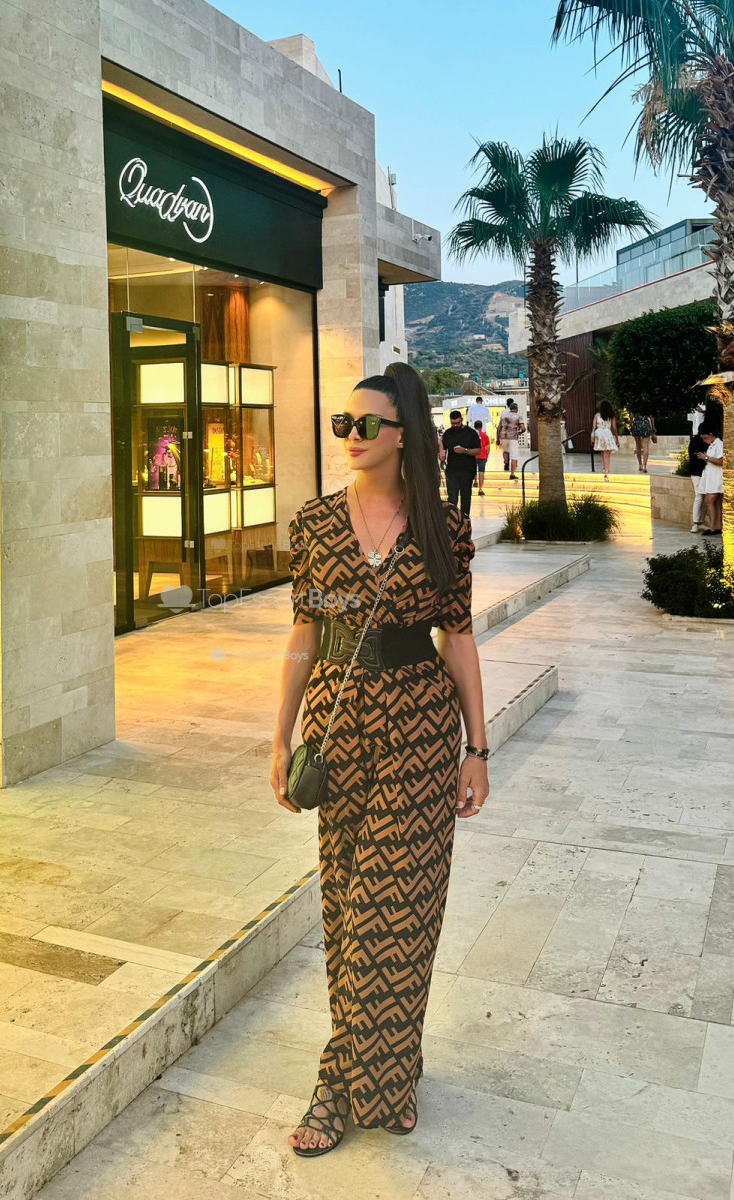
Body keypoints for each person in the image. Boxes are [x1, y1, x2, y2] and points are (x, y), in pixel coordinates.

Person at [271, 362, 490, 1155]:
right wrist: (280, 737)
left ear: (404, 436)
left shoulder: (443, 529)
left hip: (420, 731)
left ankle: (337, 1086)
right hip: (338, 727)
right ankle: (390, 1077)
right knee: (345, 909)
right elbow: (304, 634)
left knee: (394, 914)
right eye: (344, 424)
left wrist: (477, 747)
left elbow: (456, 638)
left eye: (366, 425)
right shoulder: (315, 524)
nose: (351, 437)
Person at [439, 409, 481, 517]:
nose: (455, 425)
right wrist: (442, 456)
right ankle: (453, 520)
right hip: (452, 470)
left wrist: (465, 450)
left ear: (462, 420)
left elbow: (478, 451)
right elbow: (443, 448)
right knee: (452, 498)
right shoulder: (448, 433)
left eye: (457, 423)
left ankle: (465, 520)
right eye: (453, 423)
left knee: (465, 498)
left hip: (467, 470)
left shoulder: (471, 433)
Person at [698, 430, 723, 535]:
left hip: (717, 478)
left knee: (709, 501)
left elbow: (722, 461)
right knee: (716, 503)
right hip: (711, 477)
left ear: (711, 434)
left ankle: (712, 526)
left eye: (705, 438)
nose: (704, 440)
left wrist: (706, 457)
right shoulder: (711, 445)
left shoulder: (719, 445)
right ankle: (717, 526)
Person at [591, 400, 620, 481]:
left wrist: (592, 438)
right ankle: (606, 472)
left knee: (603, 452)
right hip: (607, 434)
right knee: (607, 454)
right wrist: (617, 439)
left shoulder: (597, 415)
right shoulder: (611, 416)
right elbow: (614, 428)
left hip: (599, 434)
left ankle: (605, 468)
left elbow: (593, 428)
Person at [687, 427, 708, 532]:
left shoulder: (708, 442)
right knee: (699, 496)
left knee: (705, 497)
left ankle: (700, 522)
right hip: (697, 473)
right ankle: (696, 523)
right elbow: (696, 457)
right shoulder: (696, 442)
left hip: (705, 472)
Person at [497, 400, 524, 479]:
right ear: (517, 409)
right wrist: (519, 433)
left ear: (510, 409)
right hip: (513, 438)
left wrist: (498, 438)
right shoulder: (518, 416)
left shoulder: (503, 416)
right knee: (514, 456)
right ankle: (512, 474)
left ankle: (506, 462)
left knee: (505, 451)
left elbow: (499, 428)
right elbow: (523, 428)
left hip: (503, 437)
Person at [475, 419, 490, 495]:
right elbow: (488, 447)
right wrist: (487, 455)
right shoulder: (485, 436)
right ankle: (480, 489)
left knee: (474, 470)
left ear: (474, 426)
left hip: (474, 456)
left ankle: (475, 481)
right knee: (481, 473)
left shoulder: (472, 435)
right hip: (483, 456)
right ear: (481, 427)